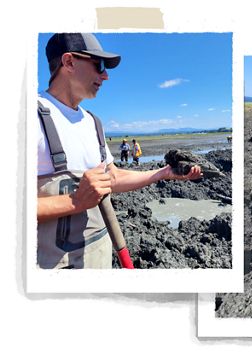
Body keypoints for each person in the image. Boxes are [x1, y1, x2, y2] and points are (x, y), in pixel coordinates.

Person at [37, 33, 202, 269]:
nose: (105, 75)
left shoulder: (93, 122)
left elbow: (112, 178)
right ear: (69, 62)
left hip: (98, 259)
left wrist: (163, 173)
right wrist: (74, 201)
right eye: (99, 65)